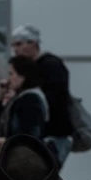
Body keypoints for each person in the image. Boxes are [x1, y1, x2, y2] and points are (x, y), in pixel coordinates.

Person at [10, 24, 73, 167]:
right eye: (14, 45)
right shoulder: (33, 67)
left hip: (53, 135)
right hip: (39, 136)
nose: (16, 50)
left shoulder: (51, 65)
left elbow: (56, 99)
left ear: (33, 43)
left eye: (19, 44)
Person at [0, 55, 49, 155]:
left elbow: (29, 137)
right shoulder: (20, 97)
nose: (8, 79)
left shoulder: (30, 99)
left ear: (22, 76)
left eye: (11, 74)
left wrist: (1, 142)